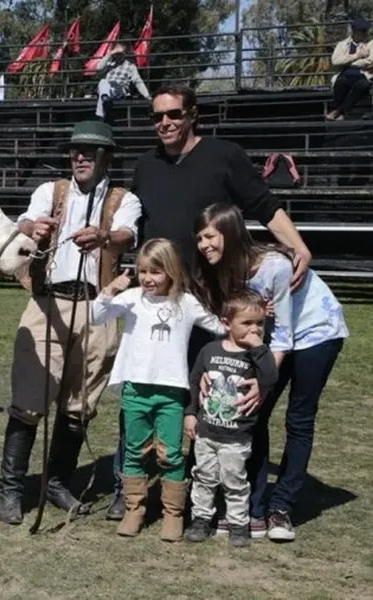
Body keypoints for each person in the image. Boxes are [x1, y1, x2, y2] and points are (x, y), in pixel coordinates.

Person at [104, 82, 312, 519]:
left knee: (217, 396)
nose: (165, 123)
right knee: (143, 393)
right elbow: (135, 229)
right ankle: (130, 489)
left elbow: (265, 204)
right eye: (157, 116)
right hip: (158, 302)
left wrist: (299, 246)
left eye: (174, 114)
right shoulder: (144, 165)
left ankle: (224, 500)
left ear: (192, 114)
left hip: (211, 304)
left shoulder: (224, 155)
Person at [0, 121, 141, 525]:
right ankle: (10, 488)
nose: (79, 156)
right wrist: (33, 227)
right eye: (75, 150)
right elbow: (24, 223)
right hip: (48, 303)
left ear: (106, 157)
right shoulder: (51, 191)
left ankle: (56, 482)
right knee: (28, 399)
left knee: (79, 405)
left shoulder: (123, 199)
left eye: (89, 151)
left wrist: (105, 237)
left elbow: (127, 235)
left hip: (98, 308)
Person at [192, 203, 349, 542]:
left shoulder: (274, 266)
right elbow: (232, 326)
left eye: (209, 237)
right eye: (199, 239)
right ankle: (251, 508)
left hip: (315, 332)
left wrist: (263, 382)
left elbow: (284, 335)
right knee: (254, 415)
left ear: (230, 233)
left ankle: (281, 508)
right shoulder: (223, 269)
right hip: (273, 338)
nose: (203, 245)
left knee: (299, 417)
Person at [90, 238, 226, 541]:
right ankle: (134, 509)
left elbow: (219, 326)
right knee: (134, 451)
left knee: (171, 453)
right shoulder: (132, 298)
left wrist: (251, 315)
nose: (148, 279)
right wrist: (111, 289)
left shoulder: (186, 303)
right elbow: (95, 315)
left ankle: (172, 514)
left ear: (172, 272)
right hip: (136, 389)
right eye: (142, 271)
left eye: (156, 272)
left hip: (171, 393)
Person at [184, 290, 279, 547]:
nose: (254, 329)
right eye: (246, 323)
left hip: (237, 435)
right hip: (207, 431)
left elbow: (270, 379)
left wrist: (259, 348)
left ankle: (238, 523)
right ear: (226, 323)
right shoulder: (210, 350)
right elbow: (194, 381)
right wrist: (191, 413)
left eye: (260, 323)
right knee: (203, 476)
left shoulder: (258, 355)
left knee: (235, 480)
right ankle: (201, 518)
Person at [326, 18, 373, 121]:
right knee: (341, 83)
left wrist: (348, 61)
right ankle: (341, 113)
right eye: (363, 31)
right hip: (344, 73)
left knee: (362, 85)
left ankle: (338, 111)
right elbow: (335, 61)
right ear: (355, 32)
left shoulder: (371, 44)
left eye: (366, 31)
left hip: (362, 73)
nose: (366, 34)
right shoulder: (342, 45)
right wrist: (358, 55)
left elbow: (370, 61)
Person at [93, 43, 151, 124]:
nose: (118, 55)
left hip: (119, 88)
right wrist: (110, 53)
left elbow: (138, 81)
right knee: (103, 82)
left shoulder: (130, 66)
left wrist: (147, 96)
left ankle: (100, 117)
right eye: (116, 53)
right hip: (107, 89)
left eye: (120, 53)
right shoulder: (110, 64)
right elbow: (98, 68)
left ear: (124, 54)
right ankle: (105, 99)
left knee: (105, 90)